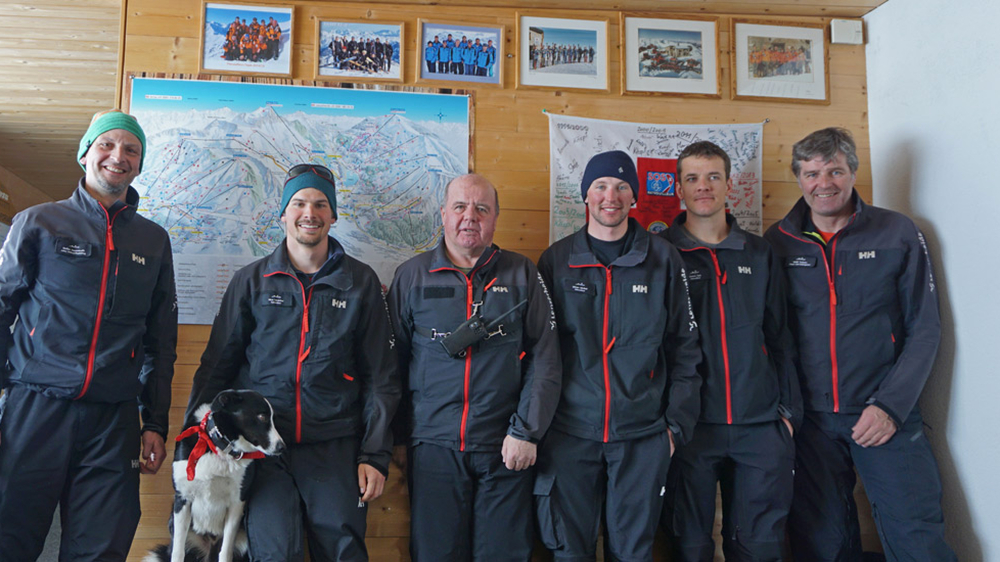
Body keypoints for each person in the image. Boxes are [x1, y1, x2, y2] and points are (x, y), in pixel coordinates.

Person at [185, 164, 400, 561]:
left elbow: (381, 376)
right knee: (272, 552)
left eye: (321, 204)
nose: (310, 212)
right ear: (283, 213)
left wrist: (374, 455)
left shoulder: (361, 282)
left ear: (333, 215)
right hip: (263, 448)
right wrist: (192, 440)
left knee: (343, 551)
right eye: (299, 202)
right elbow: (217, 365)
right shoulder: (252, 281)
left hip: (335, 447)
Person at [764, 127, 957, 561]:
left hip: (883, 414)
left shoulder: (897, 233)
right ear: (799, 178)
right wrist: (787, 409)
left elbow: (925, 328)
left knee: (916, 536)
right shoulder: (777, 243)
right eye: (812, 173)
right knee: (823, 544)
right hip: (810, 421)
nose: (824, 183)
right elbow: (774, 337)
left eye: (835, 170)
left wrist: (890, 406)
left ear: (853, 172)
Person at [0, 109, 177, 560]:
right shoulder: (39, 222)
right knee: (9, 534)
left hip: (112, 419)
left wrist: (154, 421)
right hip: (36, 407)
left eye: (131, 149)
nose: (118, 156)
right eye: (107, 144)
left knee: (102, 546)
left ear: (139, 164)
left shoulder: (153, 240)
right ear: (85, 153)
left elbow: (160, 338)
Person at [535, 150, 701, 561]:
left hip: (642, 436)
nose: (611, 195)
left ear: (634, 198)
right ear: (586, 195)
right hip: (569, 435)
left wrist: (674, 428)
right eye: (601, 186)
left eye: (622, 186)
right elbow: (539, 352)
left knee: (633, 553)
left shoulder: (664, 259)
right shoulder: (556, 260)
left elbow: (685, 347)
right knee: (569, 551)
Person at [389, 173, 561, 561]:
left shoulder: (523, 274)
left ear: (496, 218)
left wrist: (527, 432)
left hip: (505, 446)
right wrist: (397, 437)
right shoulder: (411, 276)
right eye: (460, 207)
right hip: (432, 446)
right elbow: (392, 364)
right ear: (443, 215)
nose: (470, 217)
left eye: (482, 208)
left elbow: (546, 358)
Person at [661, 141, 801, 561]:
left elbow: (781, 337)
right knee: (689, 545)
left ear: (729, 185)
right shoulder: (661, 255)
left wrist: (789, 414)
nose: (703, 187)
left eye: (713, 177)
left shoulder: (760, 253)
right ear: (679, 189)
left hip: (759, 425)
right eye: (692, 178)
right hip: (690, 427)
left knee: (760, 546)